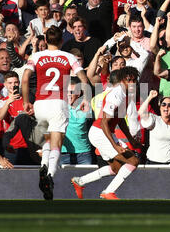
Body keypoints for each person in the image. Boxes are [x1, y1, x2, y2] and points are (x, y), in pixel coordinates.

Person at [22, 25, 90, 200]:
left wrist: (25, 101)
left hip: (40, 103)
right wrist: (87, 99)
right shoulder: (67, 57)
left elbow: (25, 78)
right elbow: (83, 77)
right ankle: (50, 174)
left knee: (47, 139)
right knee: (56, 144)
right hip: (59, 103)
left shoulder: (36, 56)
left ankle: (44, 166)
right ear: (61, 41)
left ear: (45, 40)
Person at [70, 66, 142, 200]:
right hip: (100, 132)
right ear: (121, 80)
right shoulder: (116, 95)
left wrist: (130, 140)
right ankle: (108, 192)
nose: (132, 83)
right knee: (133, 161)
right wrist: (115, 146)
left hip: (104, 133)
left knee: (116, 168)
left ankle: (80, 181)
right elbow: (104, 122)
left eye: (134, 80)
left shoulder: (126, 94)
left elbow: (120, 121)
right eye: (129, 80)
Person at [138, 90, 170, 164]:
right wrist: (150, 97)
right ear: (160, 107)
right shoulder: (154, 119)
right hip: (153, 162)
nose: (166, 107)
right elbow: (141, 112)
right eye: (163, 104)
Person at [60, 77, 93, 165]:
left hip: (84, 153)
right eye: (67, 92)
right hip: (64, 153)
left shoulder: (87, 107)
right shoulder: (60, 107)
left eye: (72, 92)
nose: (69, 94)